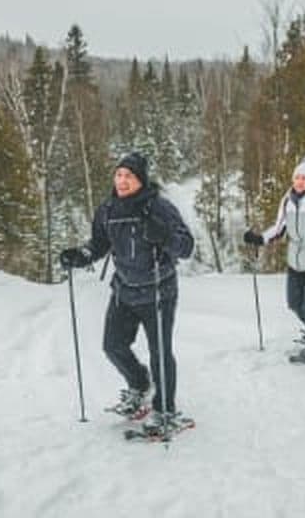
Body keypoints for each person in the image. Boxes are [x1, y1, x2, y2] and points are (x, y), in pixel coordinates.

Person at [59, 152, 194, 429]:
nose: (122, 181)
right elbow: (98, 244)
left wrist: (165, 236)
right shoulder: (108, 210)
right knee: (113, 346)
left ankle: (165, 411)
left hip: (159, 291)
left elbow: (186, 246)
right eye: (119, 175)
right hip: (124, 291)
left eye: (128, 176)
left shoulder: (160, 208)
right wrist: (80, 255)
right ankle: (140, 384)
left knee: (160, 353)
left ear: (140, 180)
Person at [243, 156, 305, 363]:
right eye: (297, 177)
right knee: (294, 304)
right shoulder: (287, 200)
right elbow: (279, 229)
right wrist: (260, 239)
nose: (300, 181)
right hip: (295, 262)